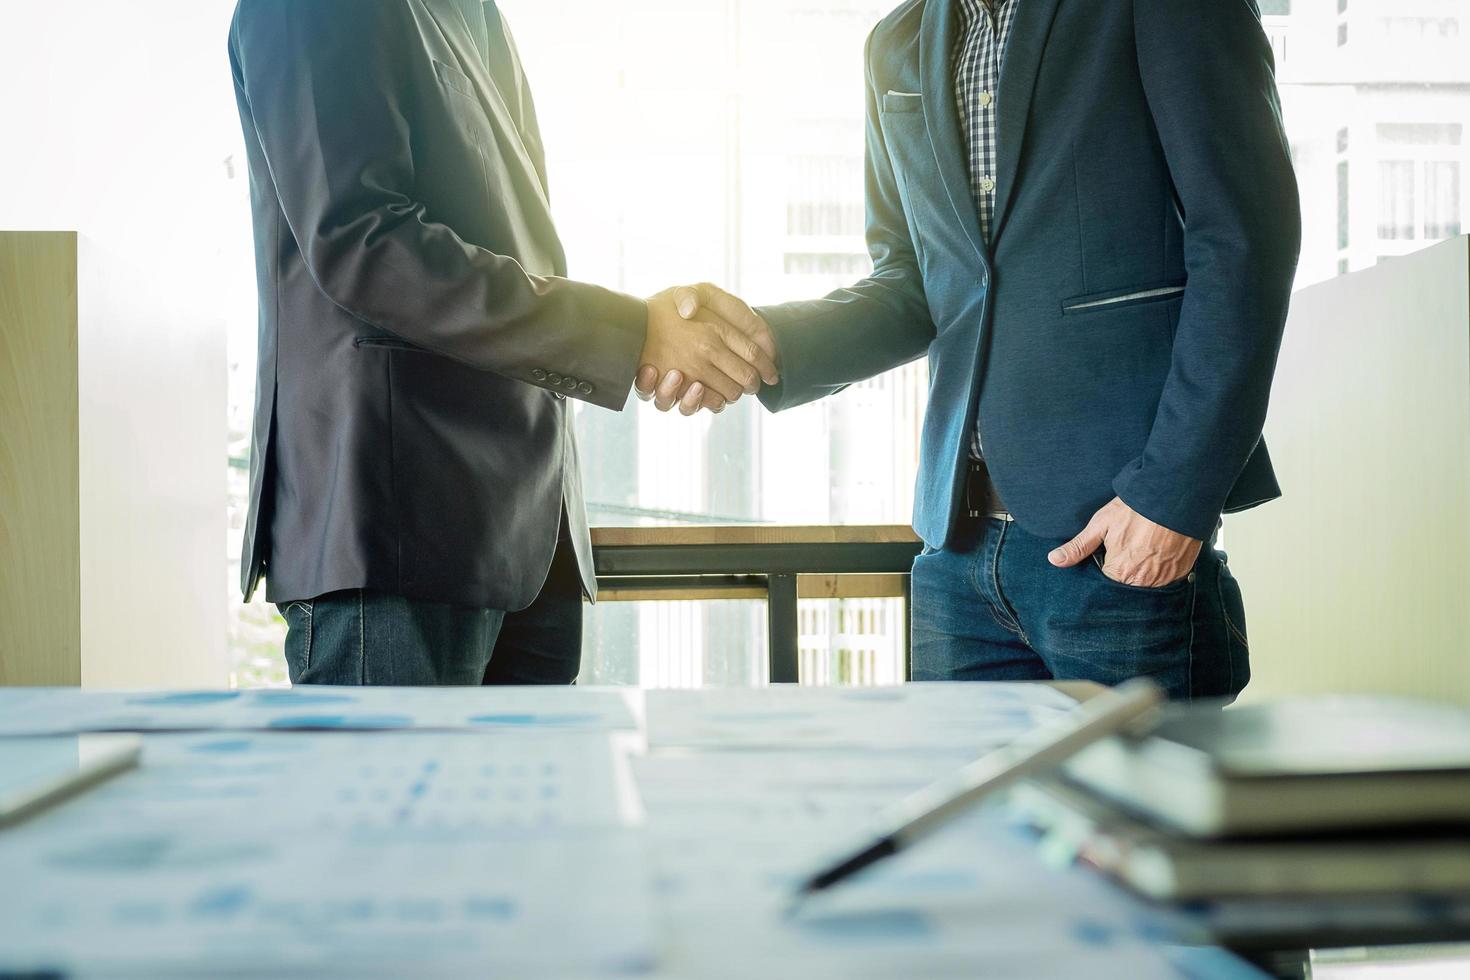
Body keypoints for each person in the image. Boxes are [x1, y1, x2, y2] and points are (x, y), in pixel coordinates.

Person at [642, 0, 1301, 700]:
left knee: (1134, 812)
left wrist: (1174, 497)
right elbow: (912, 285)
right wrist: (757, 343)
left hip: (1117, 538)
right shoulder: (894, 44)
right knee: (966, 810)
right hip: (957, 559)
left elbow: (1242, 242)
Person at [229, 0, 777, 686]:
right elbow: (364, 245)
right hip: (396, 534)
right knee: (394, 799)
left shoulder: (473, 12)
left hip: (529, 541)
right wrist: (632, 331)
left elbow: (516, 253)